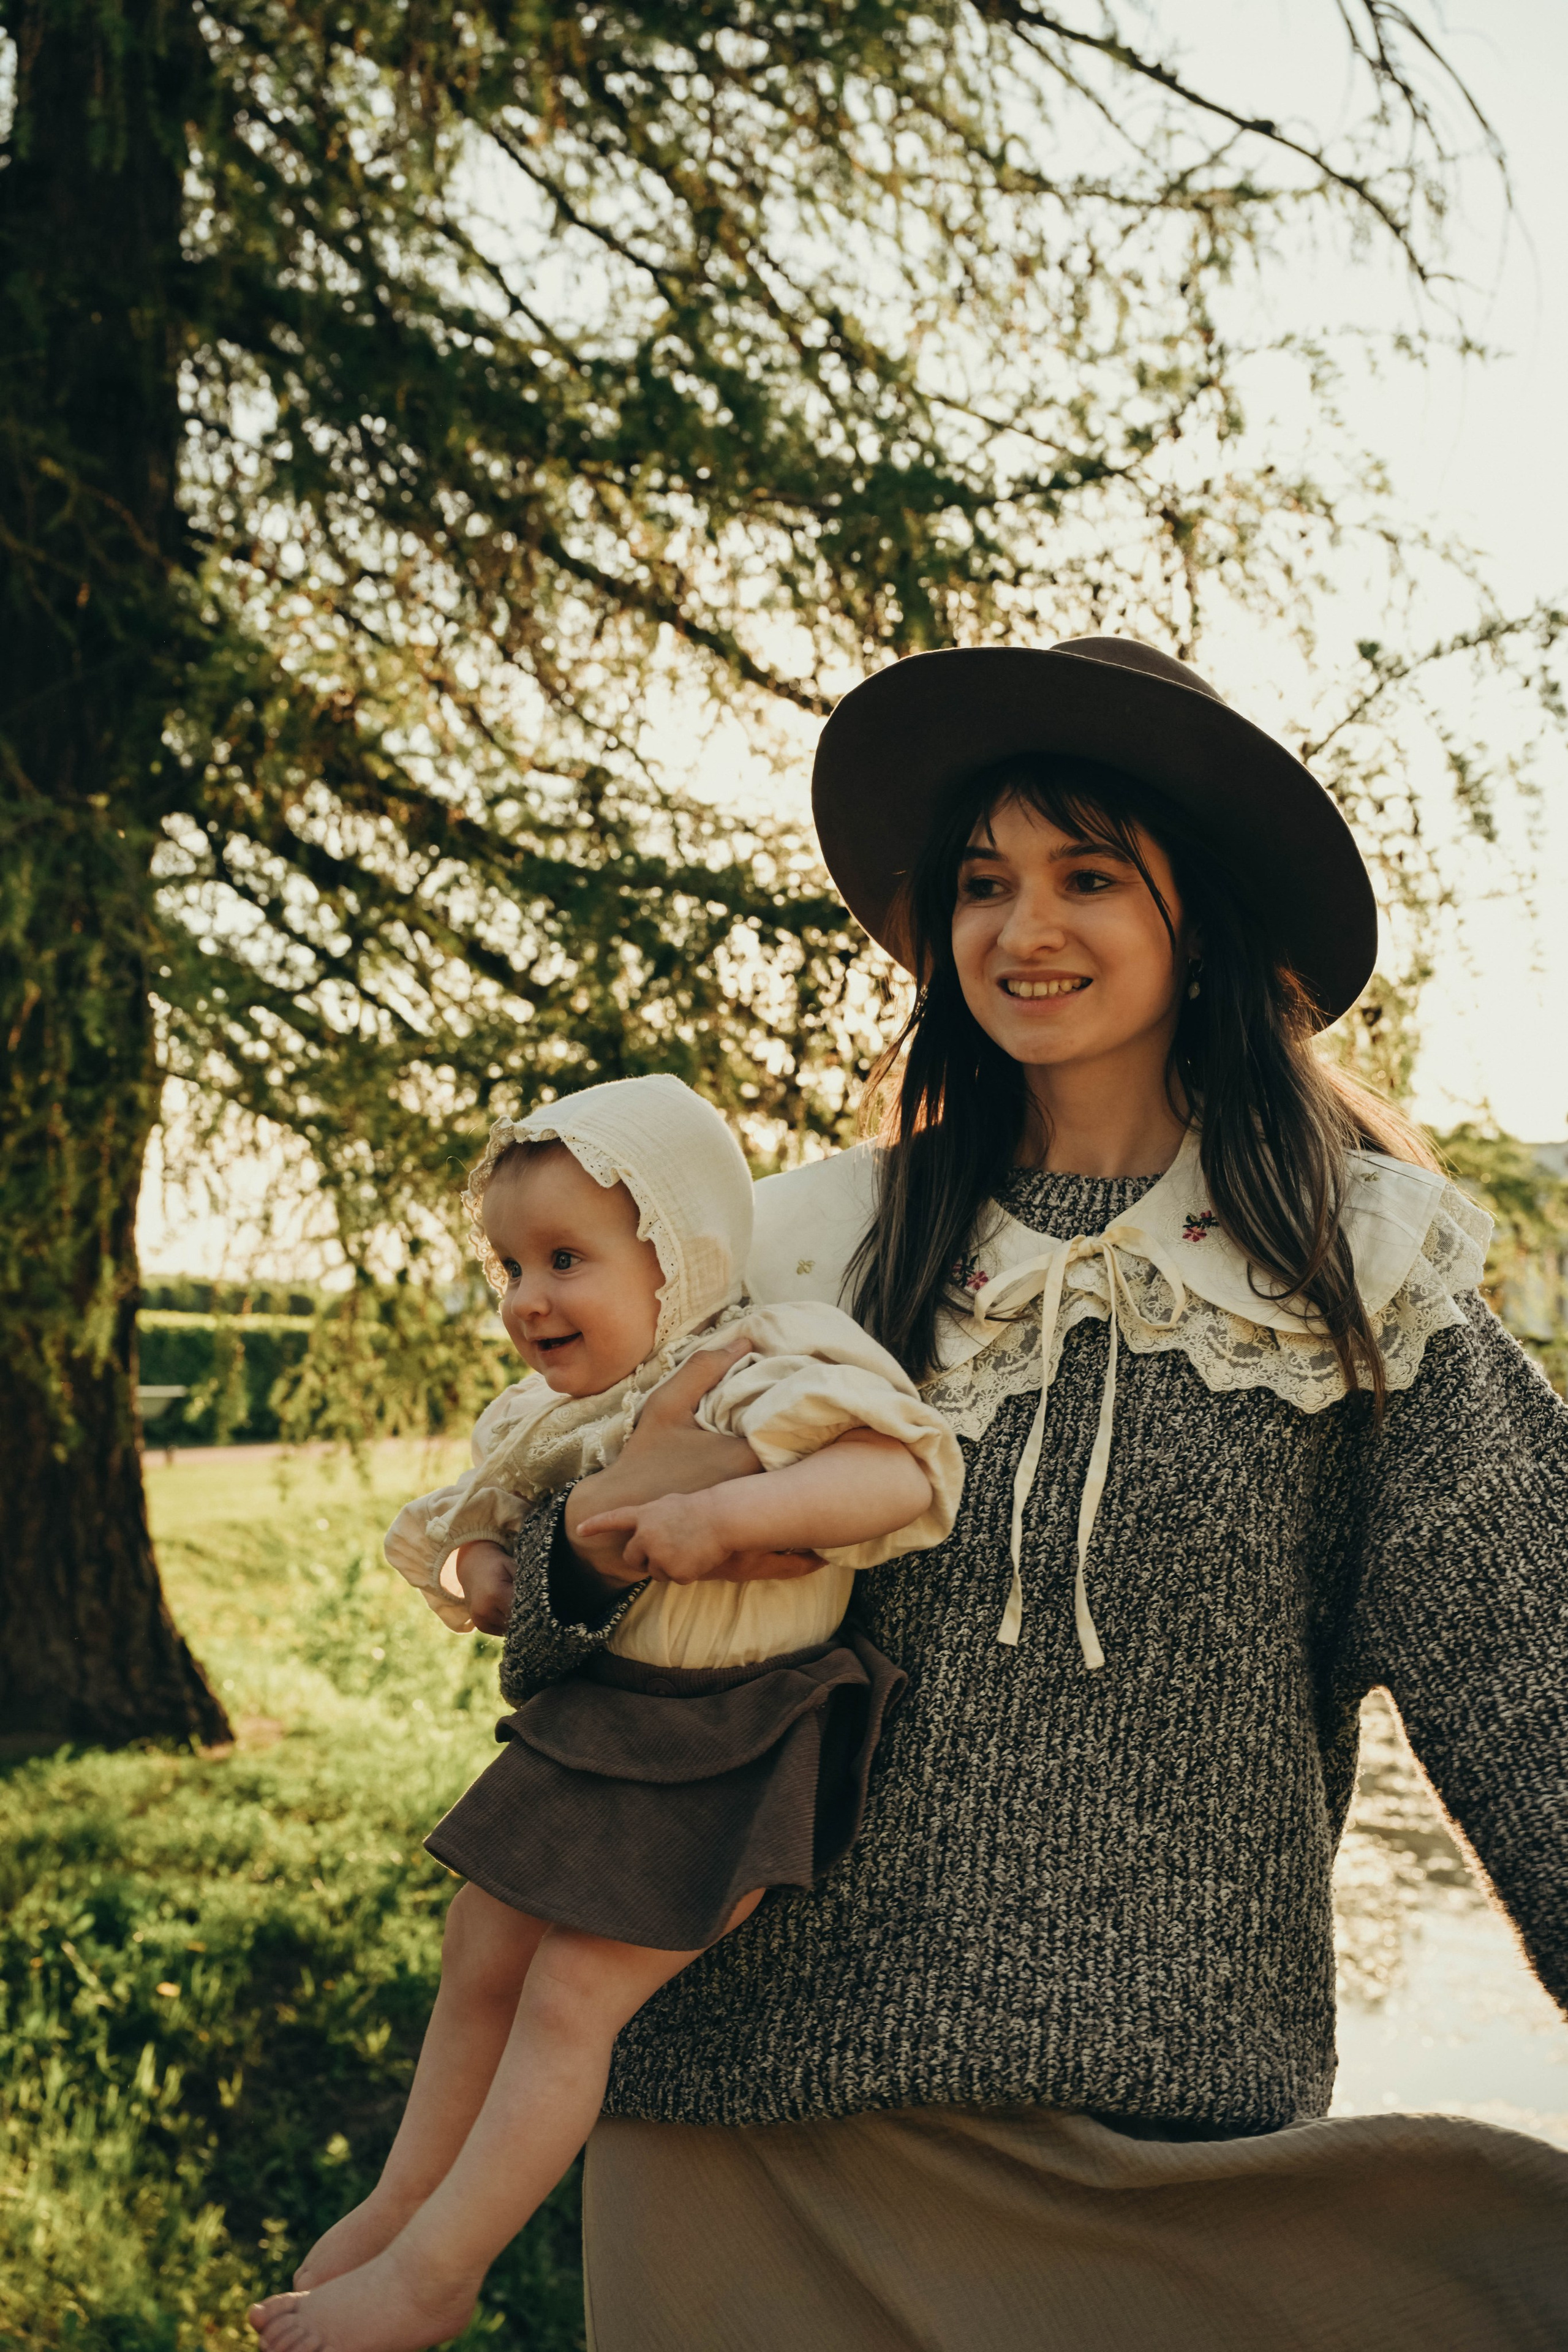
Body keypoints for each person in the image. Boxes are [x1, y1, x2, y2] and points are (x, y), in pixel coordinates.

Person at [510, 640, 1565, 2349]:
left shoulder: (1357, 1285)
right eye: (983, 883)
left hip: (1158, 2164)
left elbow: (1540, 1710)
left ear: (1199, 919)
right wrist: (578, 1549)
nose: (1024, 929)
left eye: (1089, 875)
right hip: (731, 2129)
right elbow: (569, 1653)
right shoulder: (807, 1253)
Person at [246, 1073, 961, 2352]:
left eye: (565, 1259)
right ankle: (405, 2200)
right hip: (606, 1720)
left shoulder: (758, 1360)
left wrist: (720, 1514)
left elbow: (896, 1466)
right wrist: (489, 1581)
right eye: (509, 1265)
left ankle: (443, 2269)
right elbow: (462, 1532)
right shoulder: (552, 1416)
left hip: (735, 1730)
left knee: (572, 1996)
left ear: (676, 1255)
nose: (527, 1298)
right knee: (480, 1949)